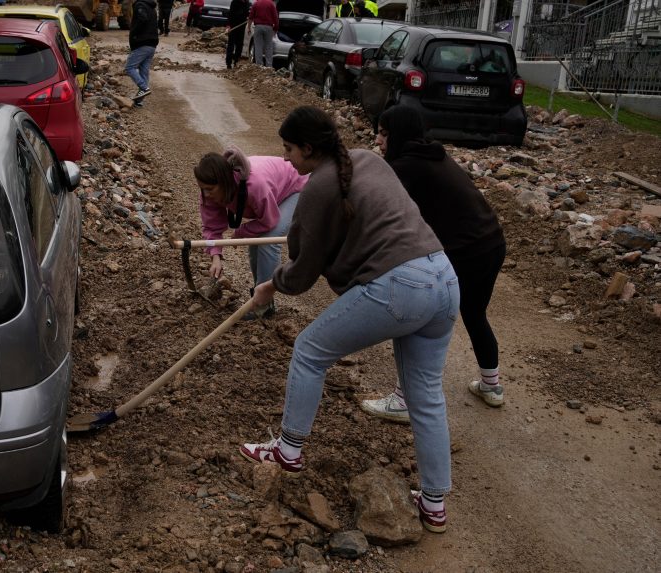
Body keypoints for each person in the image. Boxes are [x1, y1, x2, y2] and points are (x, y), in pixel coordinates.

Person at [238, 106, 459, 534]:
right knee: (425, 396)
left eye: (288, 150)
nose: (285, 159)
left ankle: (289, 449)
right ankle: (433, 504)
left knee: (309, 351)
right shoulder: (368, 158)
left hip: (400, 286)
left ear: (308, 147)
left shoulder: (318, 187)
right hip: (442, 277)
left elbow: (301, 273)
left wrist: (270, 284)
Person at [360, 105, 507, 423]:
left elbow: (381, 212)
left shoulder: (405, 167)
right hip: (491, 243)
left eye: (384, 133)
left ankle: (403, 400)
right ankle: (491, 386)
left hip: (466, 251)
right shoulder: (431, 155)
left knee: (416, 316)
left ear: (398, 134)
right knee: (474, 312)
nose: (378, 138)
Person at [194, 147, 306, 319]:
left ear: (225, 182)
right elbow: (212, 227)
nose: (206, 194)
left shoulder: (254, 185)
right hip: (274, 189)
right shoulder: (208, 194)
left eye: (210, 189)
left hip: (295, 186)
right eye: (203, 189)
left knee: (268, 240)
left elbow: (269, 221)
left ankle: (262, 305)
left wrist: (241, 233)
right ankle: (260, 298)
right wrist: (215, 257)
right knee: (256, 241)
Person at [126, 0, 159, 107]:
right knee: (144, 71)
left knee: (129, 67)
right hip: (152, 45)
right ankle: (139, 100)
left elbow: (142, 19)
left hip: (142, 43)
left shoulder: (140, 5)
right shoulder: (152, 7)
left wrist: (134, 34)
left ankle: (144, 87)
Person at [248, 0, 278, 67]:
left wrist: (249, 27)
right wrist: (275, 28)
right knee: (269, 47)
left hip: (258, 27)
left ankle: (259, 66)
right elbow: (275, 17)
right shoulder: (271, 4)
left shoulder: (256, 3)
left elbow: (251, 17)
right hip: (268, 27)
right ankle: (269, 66)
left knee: (258, 46)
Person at [226, 0, 250, 69]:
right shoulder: (234, 2)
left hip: (241, 27)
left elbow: (247, 13)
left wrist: (248, 17)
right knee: (231, 44)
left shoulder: (247, 3)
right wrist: (228, 25)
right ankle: (228, 63)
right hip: (233, 26)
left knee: (239, 45)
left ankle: (236, 61)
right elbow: (230, 14)